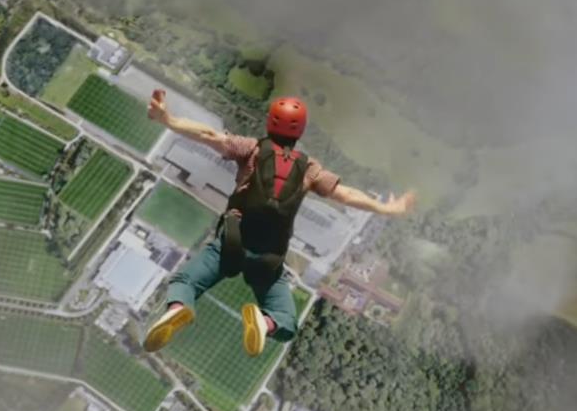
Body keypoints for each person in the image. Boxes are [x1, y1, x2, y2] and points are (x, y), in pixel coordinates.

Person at [143, 89, 415, 357]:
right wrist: (385, 208)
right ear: (300, 131)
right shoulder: (310, 170)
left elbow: (208, 135)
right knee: (286, 322)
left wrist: (169, 120)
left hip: (230, 244)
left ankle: (178, 309)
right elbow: (346, 195)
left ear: (270, 123)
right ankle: (265, 322)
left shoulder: (251, 150)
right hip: (269, 259)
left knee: (186, 282)